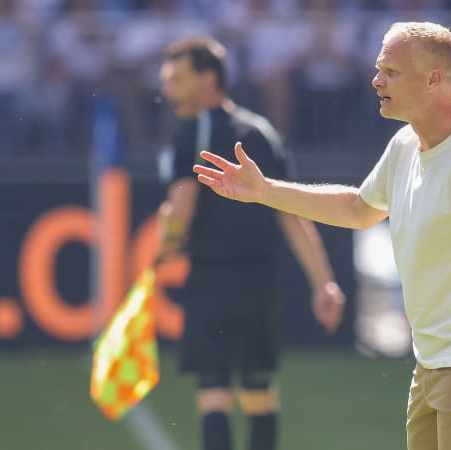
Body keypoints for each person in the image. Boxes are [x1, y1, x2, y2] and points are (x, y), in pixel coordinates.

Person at [193, 22, 451, 450]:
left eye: (392, 72)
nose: (377, 80)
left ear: (435, 79)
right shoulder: (404, 144)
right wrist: (265, 191)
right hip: (433, 363)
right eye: (380, 69)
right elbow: (360, 208)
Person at [156, 37, 346, 450]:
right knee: (260, 394)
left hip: (210, 279)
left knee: (214, 395)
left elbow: (181, 208)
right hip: (259, 282)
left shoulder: (191, 130)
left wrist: (165, 243)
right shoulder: (262, 131)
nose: (167, 89)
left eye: (176, 79)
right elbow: (291, 215)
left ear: (208, 79)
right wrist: (323, 282)